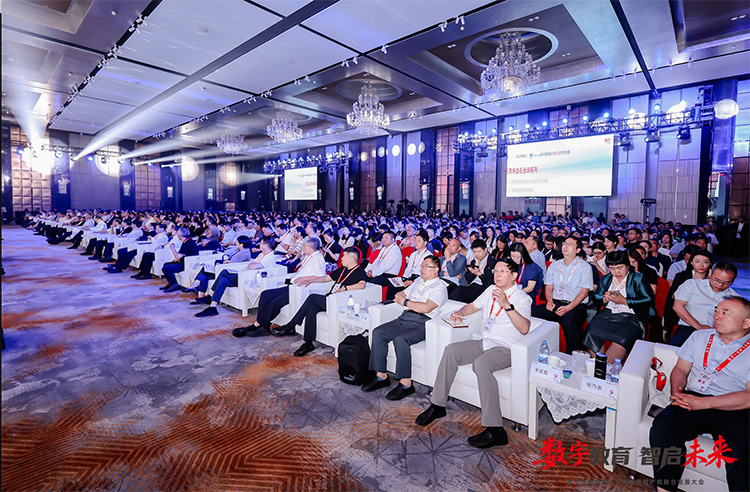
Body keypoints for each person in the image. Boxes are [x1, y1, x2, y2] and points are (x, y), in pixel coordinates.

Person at [415, 258, 532, 448]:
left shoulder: (522, 298)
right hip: (483, 340)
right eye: (495, 271)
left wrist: (507, 305)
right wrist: (461, 313)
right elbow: (472, 306)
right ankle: (437, 405)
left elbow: (525, 328)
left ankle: (496, 430)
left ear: (514, 275)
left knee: (481, 364)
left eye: (503, 271)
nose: (497, 275)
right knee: (451, 350)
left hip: (506, 347)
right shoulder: (490, 290)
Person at [649, 296, 750, 492]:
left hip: (732, 407)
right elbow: (681, 369)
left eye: (725, 313)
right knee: (663, 426)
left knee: (742, 449)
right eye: (717, 310)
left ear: (746, 323)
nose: (717, 316)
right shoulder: (699, 337)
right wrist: (677, 391)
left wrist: (705, 404)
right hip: (692, 398)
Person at [363, 255, 447, 400]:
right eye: (422, 266)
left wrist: (406, 302)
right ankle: (381, 376)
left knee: (400, 339)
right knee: (378, 332)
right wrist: (401, 296)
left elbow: (426, 308)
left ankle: (406, 384)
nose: (422, 269)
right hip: (405, 317)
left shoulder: (440, 287)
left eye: (427, 266)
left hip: (423, 322)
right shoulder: (418, 281)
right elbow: (402, 294)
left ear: (436, 269)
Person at [234, 237, 326, 338]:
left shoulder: (318, 258)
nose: (302, 248)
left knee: (275, 302)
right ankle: (260, 324)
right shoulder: (309, 256)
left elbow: (321, 276)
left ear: (310, 248)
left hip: (300, 289)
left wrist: (303, 279)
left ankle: (260, 326)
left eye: (304, 246)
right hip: (292, 285)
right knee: (265, 294)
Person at [582, 251, 655, 363]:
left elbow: (649, 299)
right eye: (612, 268)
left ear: (627, 265)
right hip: (608, 314)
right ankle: (598, 364)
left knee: (623, 338)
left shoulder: (638, 278)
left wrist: (624, 301)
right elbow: (596, 296)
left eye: (620, 268)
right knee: (591, 330)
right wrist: (604, 299)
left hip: (632, 316)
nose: (616, 272)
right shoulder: (606, 279)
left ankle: (607, 367)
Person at [531, 236, 593, 353]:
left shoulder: (584, 267)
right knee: (532, 311)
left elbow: (584, 293)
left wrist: (568, 308)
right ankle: (535, 348)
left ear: (578, 250)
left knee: (568, 322)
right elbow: (549, 287)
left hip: (575, 306)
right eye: (564, 243)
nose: (565, 246)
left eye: (570, 244)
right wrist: (549, 302)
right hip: (556, 303)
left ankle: (571, 355)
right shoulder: (554, 265)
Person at [191, 237, 276, 316]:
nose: (259, 245)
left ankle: (210, 297)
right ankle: (212, 306)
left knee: (224, 273)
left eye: (261, 243)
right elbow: (251, 265)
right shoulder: (261, 255)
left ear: (266, 245)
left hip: (251, 279)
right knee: (223, 279)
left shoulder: (269, 257)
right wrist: (252, 264)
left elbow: (252, 266)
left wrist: (252, 265)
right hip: (246, 275)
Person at [670, 262, 739, 346]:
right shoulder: (693, 284)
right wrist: (698, 326)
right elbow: (677, 306)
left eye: (727, 283)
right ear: (710, 273)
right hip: (689, 327)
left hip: (716, 333)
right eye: (716, 280)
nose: (720, 285)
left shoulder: (734, 298)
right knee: (675, 349)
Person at [159, 227, 200, 292]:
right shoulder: (188, 241)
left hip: (186, 264)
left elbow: (178, 256)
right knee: (166, 264)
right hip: (184, 261)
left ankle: (174, 284)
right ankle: (171, 283)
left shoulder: (187, 243)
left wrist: (172, 247)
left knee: (166, 268)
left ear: (180, 235)